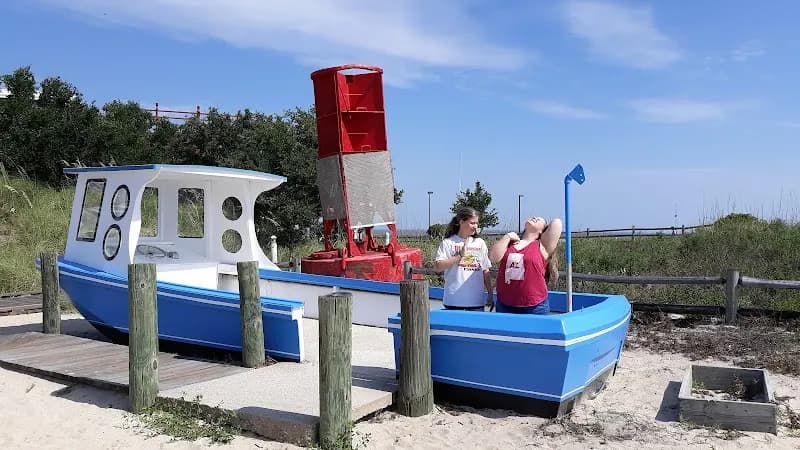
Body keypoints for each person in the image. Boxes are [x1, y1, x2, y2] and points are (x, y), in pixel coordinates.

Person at [489, 216, 563, 314]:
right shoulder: (510, 244)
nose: (535, 217)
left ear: (543, 231)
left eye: (539, 219)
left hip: (534, 306)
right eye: (534, 216)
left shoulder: (543, 245)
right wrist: (507, 237)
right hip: (505, 303)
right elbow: (493, 257)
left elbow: (557, 223)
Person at [434, 207, 493, 311]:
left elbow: (485, 270)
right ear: (461, 222)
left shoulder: (480, 243)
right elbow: (438, 266)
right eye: (472, 223)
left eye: (476, 223)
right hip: (454, 301)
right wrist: (459, 256)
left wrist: (490, 293)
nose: (475, 227)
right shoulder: (448, 242)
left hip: (476, 303)